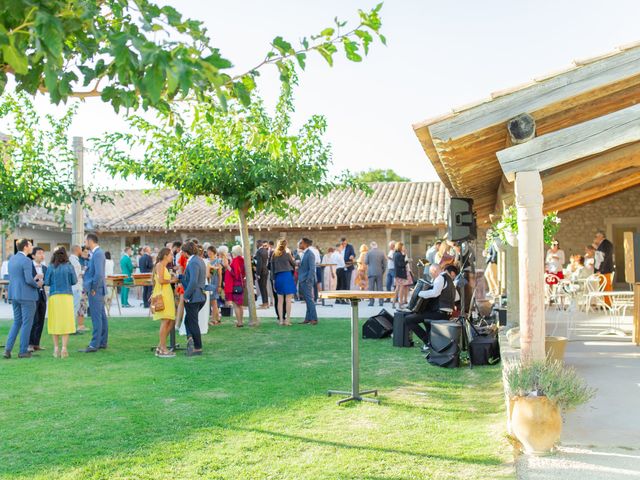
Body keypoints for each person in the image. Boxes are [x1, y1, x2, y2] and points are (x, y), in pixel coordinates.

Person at [404, 264, 459, 352]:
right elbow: (457, 297)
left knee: (409, 319)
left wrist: (419, 293)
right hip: (446, 314)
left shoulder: (440, 278)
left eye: (431, 273)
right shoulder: (450, 280)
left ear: (434, 271)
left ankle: (428, 342)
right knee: (425, 316)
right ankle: (431, 342)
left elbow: (435, 293)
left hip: (439, 313)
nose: (431, 275)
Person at [3, 239, 41, 359]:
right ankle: (23, 351)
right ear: (25, 247)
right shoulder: (26, 260)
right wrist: (38, 284)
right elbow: (28, 280)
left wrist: (32, 279)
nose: (32, 247)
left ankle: (7, 349)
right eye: (30, 245)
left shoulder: (12, 259)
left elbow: (18, 278)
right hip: (27, 296)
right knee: (26, 324)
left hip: (14, 295)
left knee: (17, 322)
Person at [44, 247, 77, 358]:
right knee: (66, 322)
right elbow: (74, 281)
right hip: (67, 297)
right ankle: (64, 348)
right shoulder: (69, 266)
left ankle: (56, 349)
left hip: (54, 297)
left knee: (55, 322)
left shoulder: (51, 267)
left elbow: (47, 282)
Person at [78, 234, 109, 353]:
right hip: (98, 289)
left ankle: (94, 344)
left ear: (90, 241)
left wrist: (94, 288)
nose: (84, 243)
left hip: (96, 290)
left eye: (85, 240)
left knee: (96, 318)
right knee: (101, 317)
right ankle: (101, 342)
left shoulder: (98, 253)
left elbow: (99, 274)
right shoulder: (96, 254)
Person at [179, 241, 206, 356]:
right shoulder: (199, 260)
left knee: (193, 322)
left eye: (182, 252)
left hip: (194, 297)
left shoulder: (193, 262)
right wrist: (181, 277)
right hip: (199, 296)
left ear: (186, 252)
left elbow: (193, 281)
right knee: (188, 320)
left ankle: (198, 347)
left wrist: (186, 296)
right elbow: (191, 279)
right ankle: (190, 339)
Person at [151, 248, 178, 358]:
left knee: (171, 320)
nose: (172, 257)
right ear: (166, 255)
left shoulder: (164, 266)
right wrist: (172, 280)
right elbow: (161, 281)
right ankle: (162, 348)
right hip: (163, 295)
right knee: (166, 320)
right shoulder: (159, 265)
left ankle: (160, 346)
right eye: (171, 255)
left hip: (167, 294)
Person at [272, 239, 296, 325]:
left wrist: (273, 280)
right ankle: (287, 320)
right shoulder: (287, 254)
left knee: (280, 300)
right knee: (288, 300)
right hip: (287, 276)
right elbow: (294, 264)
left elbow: (272, 269)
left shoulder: (274, 255)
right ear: (286, 245)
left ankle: (281, 320)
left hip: (278, 277)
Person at [28, 246, 48, 353]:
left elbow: (48, 281)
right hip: (32, 296)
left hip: (42, 296)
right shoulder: (29, 266)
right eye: (39, 253)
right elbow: (27, 280)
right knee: (33, 320)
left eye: (43, 253)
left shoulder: (45, 268)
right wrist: (36, 283)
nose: (42, 255)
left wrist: (43, 283)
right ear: (33, 255)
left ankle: (36, 344)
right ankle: (30, 344)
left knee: (41, 320)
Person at [224, 245, 247, 328]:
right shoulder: (242, 260)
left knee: (236, 305)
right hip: (240, 284)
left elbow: (235, 274)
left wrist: (228, 267)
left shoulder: (236, 260)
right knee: (240, 305)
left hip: (235, 285)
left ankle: (239, 322)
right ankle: (240, 321)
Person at [297, 238, 318, 325]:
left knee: (309, 300)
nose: (299, 244)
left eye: (301, 243)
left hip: (306, 280)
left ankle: (314, 319)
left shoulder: (310, 254)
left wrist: (308, 280)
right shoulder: (304, 253)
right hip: (302, 279)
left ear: (305, 244)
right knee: (307, 300)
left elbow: (312, 269)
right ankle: (308, 318)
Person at [594, 230, 614, 306]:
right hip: (602, 270)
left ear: (601, 236)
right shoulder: (602, 244)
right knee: (603, 287)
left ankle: (608, 304)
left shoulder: (606, 244)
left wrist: (600, 269)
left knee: (607, 286)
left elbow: (605, 258)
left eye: (596, 236)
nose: (595, 238)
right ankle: (605, 303)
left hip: (605, 270)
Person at [365, 241, 386, 306]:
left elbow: (366, 262)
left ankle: (371, 302)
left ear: (371, 246)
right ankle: (381, 302)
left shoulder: (368, 252)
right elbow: (384, 264)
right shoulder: (382, 252)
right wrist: (383, 271)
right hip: (379, 272)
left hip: (371, 272)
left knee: (371, 288)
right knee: (380, 288)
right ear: (377, 245)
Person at [206, 246, 222, 326]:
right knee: (211, 301)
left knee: (214, 301)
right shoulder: (207, 261)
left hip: (214, 283)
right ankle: (218, 318)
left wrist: (219, 285)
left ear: (214, 253)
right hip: (208, 283)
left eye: (210, 252)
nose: (209, 254)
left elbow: (219, 275)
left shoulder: (217, 262)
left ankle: (213, 319)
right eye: (208, 252)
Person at [394, 241, 411, 308]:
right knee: (401, 288)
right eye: (403, 246)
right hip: (401, 274)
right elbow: (401, 264)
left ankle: (393, 302)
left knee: (397, 288)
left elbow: (399, 261)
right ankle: (400, 303)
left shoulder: (395, 254)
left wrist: (404, 255)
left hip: (397, 274)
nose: (404, 247)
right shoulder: (399, 254)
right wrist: (407, 261)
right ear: (400, 247)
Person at [253, 241, 270, 309]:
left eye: (256, 244)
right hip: (265, 270)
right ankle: (265, 302)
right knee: (264, 288)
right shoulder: (265, 251)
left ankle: (265, 304)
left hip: (261, 272)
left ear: (258, 244)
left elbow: (259, 263)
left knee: (262, 288)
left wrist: (258, 274)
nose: (256, 245)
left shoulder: (259, 251)